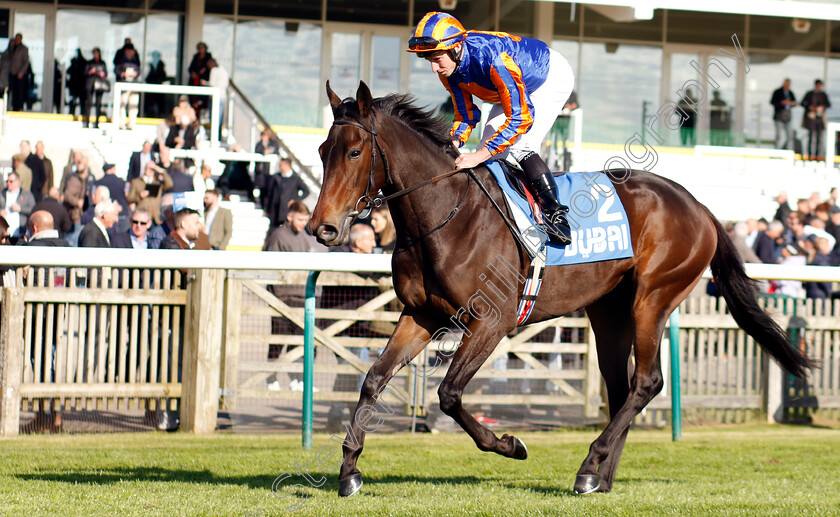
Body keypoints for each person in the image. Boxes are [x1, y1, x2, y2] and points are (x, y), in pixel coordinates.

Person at [407, 12, 572, 244]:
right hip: (508, 87)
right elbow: (464, 115)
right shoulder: (448, 69)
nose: (434, 69)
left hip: (547, 77)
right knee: (489, 149)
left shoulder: (493, 59)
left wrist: (479, 155)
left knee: (520, 145)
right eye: (429, 61)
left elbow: (521, 118)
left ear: (455, 49)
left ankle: (557, 215)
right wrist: (453, 141)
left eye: (436, 59)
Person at [266, 158, 309, 226]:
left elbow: (306, 191)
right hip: (275, 212)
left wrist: (295, 200)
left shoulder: (295, 178)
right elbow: (270, 194)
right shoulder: (276, 177)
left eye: (281, 165)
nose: (279, 167)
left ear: (287, 166)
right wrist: (268, 209)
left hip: (287, 211)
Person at [800, 79, 831, 160]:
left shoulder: (823, 94)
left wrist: (822, 107)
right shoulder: (810, 94)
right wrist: (809, 107)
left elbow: (828, 104)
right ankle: (810, 155)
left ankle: (817, 155)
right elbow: (803, 103)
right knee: (811, 137)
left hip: (820, 119)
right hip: (811, 118)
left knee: (819, 138)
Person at [0, 171, 35, 240]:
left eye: (11, 181)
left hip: (20, 232)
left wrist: (20, 209)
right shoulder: (2, 193)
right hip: (4, 233)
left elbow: (33, 209)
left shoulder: (26, 195)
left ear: (17, 181)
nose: (8, 183)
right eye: (7, 181)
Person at [114, 44, 141, 130]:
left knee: (133, 105)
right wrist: (123, 74)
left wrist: (135, 74)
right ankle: (121, 123)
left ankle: (131, 124)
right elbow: (116, 70)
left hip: (133, 85)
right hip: (123, 85)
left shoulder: (136, 61)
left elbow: (139, 71)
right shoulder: (121, 61)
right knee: (122, 104)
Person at [97, 163, 130, 232]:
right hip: (122, 214)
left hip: (106, 217)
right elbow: (128, 196)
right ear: (112, 169)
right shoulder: (123, 182)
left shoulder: (98, 183)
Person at [83, 48, 108, 129]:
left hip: (99, 85)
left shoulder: (102, 63)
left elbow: (105, 73)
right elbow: (85, 73)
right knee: (89, 103)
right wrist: (91, 71)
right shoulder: (90, 63)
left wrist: (100, 74)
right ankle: (86, 122)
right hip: (90, 84)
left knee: (98, 104)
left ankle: (97, 122)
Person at [254, 129, 279, 208]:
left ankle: (266, 207)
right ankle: (262, 205)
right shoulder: (259, 144)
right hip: (261, 171)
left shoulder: (273, 144)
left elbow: (275, 151)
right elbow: (258, 151)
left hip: (270, 171)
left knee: (269, 189)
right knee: (261, 188)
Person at [770, 79, 797, 150]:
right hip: (779, 117)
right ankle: (777, 151)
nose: (787, 85)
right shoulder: (777, 92)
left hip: (788, 118)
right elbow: (772, 102)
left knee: (790, 136)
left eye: (789, 84)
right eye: (786, 84)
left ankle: (789, 151)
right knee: (779, 136)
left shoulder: (790, 93)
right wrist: (782, 102)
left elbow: (794, 103)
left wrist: (791, 103)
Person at [5, 34, 29, 112]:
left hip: (19, 73)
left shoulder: (24, 49)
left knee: (20, 92)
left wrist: (21, 72)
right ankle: (12, 106)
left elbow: (26, 62)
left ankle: (20, 108)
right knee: (12, 91)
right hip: (12, 72)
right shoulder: (12, 48)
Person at [144, 50, 168, 117]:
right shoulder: (149, 65)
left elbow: (164, 76)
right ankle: (149, 114)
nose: (155, 58)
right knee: (149, 102)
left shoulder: (161, 65)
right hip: (150, 87)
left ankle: (160, 114)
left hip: (159, 87)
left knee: (159, 101)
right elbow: (146, 76)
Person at [66, 49, 88, 119]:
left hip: (80, 85)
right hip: (75, 85)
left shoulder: (82, 63)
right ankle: (73, 113)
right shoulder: (75, 63)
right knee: (74, 101)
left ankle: (81, 114)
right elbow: (68, 71)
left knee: (81, 102)